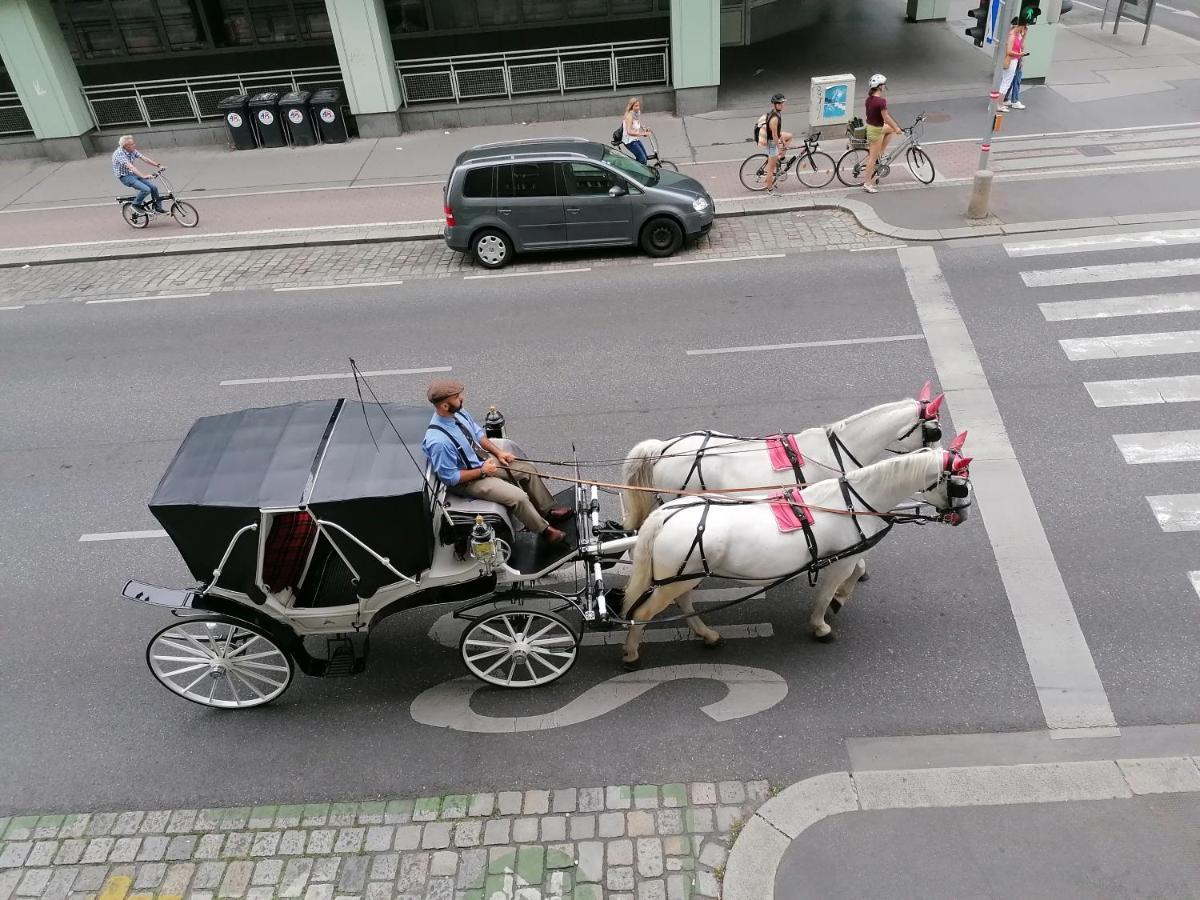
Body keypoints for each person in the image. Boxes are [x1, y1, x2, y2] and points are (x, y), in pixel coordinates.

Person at [422, 379, 569, 544]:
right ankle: (544, 531)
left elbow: (478, 435)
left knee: (527, 469)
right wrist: (482, 471)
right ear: (444, 406)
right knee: (518, 497)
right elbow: (450, 477)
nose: (462, 398)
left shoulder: (459, 413)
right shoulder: (438, 442)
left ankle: (547, 510)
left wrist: (499, 453)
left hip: (482, 461)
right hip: (467, 481)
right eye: (457, 397)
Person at [862, 74, 901, 194]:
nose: (885, 86)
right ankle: (867, 184)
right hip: (876, 131)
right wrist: (897, 127)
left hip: (871, 127)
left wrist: (892, 127)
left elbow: (871, 115)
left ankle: (881, 152)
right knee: (872, 159)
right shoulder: (881, 101)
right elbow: (887, 117)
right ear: (879, 86)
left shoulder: (869, 99)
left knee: (889, 130)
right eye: (884, 84)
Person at [112, 135, 166, 214]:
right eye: (132, 144)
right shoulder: (119, 154)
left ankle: (157, 208)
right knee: (146, 189)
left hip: (133, 174)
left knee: (154, 188)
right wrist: (143, 176)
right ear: (126, 146)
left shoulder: (132, 150)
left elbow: (144, 158)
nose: (135, 145)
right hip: (125, 177)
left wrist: (158, 165)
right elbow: (130, 166)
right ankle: (135, 205)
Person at [763, 93, 793, 195]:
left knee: (789, 136)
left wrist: (783, 141)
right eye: (780, 104)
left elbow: (778, 133)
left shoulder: (776, 113)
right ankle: (770, 190)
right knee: (771, 169)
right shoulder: (774, 119)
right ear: (775, 104)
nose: (782, 105)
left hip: (772, 140)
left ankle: (781, 158)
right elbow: (774, 136)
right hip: (771, 143)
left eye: (783, 103)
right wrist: (779, 147)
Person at [1000, 19, 1029, 111]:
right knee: (1006, 83)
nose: (1023, 29)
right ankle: (1000, 104)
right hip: (1012, 61)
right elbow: (1009, 51)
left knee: (1007, 83)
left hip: (1015, 60)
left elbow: (1020, 46)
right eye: (1023, 27)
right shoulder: (1012, 35)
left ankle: (1001, 102)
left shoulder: (1016, 35)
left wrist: (1024, 36)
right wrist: (1020, 55)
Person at [622, 97, 652, 164]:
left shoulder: (636, 113)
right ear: (631, 106)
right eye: (636, 106)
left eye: (638, 105)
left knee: (644, 157)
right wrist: (642, 133)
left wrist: (643, 128)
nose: (638, 108)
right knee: (642, 159)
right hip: (629, 141)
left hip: (635, 139)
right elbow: (629, 131)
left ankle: (637, 168)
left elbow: (637, 122)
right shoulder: (629, 116)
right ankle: (635, 172)